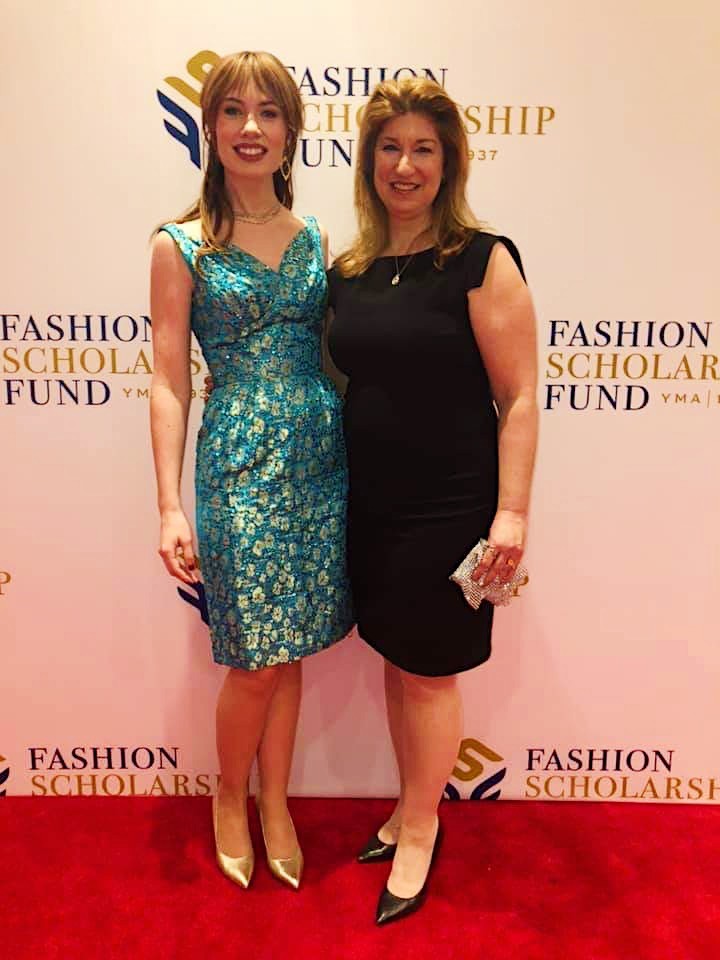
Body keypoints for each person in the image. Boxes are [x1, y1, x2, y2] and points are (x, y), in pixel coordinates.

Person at [327, 77, 538, 924]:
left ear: (449, 163)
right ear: (368, 160)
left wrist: (511, 513)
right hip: (369, 503)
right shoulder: (351, 271)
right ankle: (408, 804)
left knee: (429, 673)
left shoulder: (483, 259)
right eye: (389, 147)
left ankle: (421, 826)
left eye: (423, 149)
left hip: (450, 506)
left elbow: (518, 397)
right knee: (396, 656)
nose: (404, 165)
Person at [149, 50, 352, 892]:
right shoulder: (180, 246)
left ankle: (277, 801)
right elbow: (168, 382)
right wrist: (169, 506)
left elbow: (338, 356)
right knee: (255, 656)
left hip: (318, 459)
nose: (250, 128)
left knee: (291, 644)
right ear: (209, 127)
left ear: (291, 131)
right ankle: (229, 796)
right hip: (237, 459)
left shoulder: (316, 238)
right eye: (233, 111)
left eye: (268, 112)